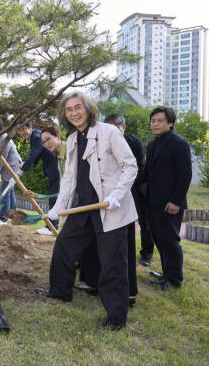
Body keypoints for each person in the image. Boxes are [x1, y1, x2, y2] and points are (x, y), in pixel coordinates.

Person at [34, 91, 138, 331]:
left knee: (112, 264)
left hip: (109, 207)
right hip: (82, 207)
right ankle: (60, 291)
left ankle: (116, 318)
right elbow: (69, 178)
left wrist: (116, 196)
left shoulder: (109, 132)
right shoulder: (71, 140)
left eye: (78, 107)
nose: (74, 113)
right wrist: (58, 209)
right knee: (64, 247)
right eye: (69, 110)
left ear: (88, 108)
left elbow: (130, 165)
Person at [71, 114, 144, 306]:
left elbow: (136, 169)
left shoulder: (132, 143)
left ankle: (128, 293)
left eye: (114, 127)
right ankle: (93, 282)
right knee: (95, 246)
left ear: (123, 127)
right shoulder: (92, 139)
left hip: (122, 199)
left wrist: (118, 194)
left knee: (122, 252)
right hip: (98, 202)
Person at [141, 106, 192, 290]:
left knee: (170, 241)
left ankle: (174, 280)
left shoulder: (178, 143)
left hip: (170, 203)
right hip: (153, 202)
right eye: (153, 120)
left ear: (170, 123)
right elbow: (147, 173)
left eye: (160, 120)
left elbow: (185, 175)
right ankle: (166, 273)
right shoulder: (153, 144)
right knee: (159, 238)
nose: (155, 124)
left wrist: (176, 201)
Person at [17, 122, 60, 235]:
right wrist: (26, 163)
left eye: (23, 129)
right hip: (52, 170)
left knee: (54, 197)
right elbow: (36, 153)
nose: (21, 133)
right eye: (19, 130)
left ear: (30, 127)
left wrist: (21, 171)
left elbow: (34, 154)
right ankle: (51, 226)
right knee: (53, 197)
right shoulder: (35, 136)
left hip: (55, 169)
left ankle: (51, 227)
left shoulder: (36, 137)